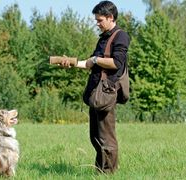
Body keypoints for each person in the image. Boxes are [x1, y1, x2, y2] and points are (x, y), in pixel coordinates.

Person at [61, 0, 130, 173]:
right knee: (95, 136)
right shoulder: (103, 38)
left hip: (106, 93)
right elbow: (90, 63)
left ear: (110, 17)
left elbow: (116, 62)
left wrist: (96, 60)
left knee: (106, 137)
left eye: (99, 20)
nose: (97, 23)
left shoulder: (121, 36)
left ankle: (108, 173)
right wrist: (71, 63)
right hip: (95, 92)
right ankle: (100, 171)